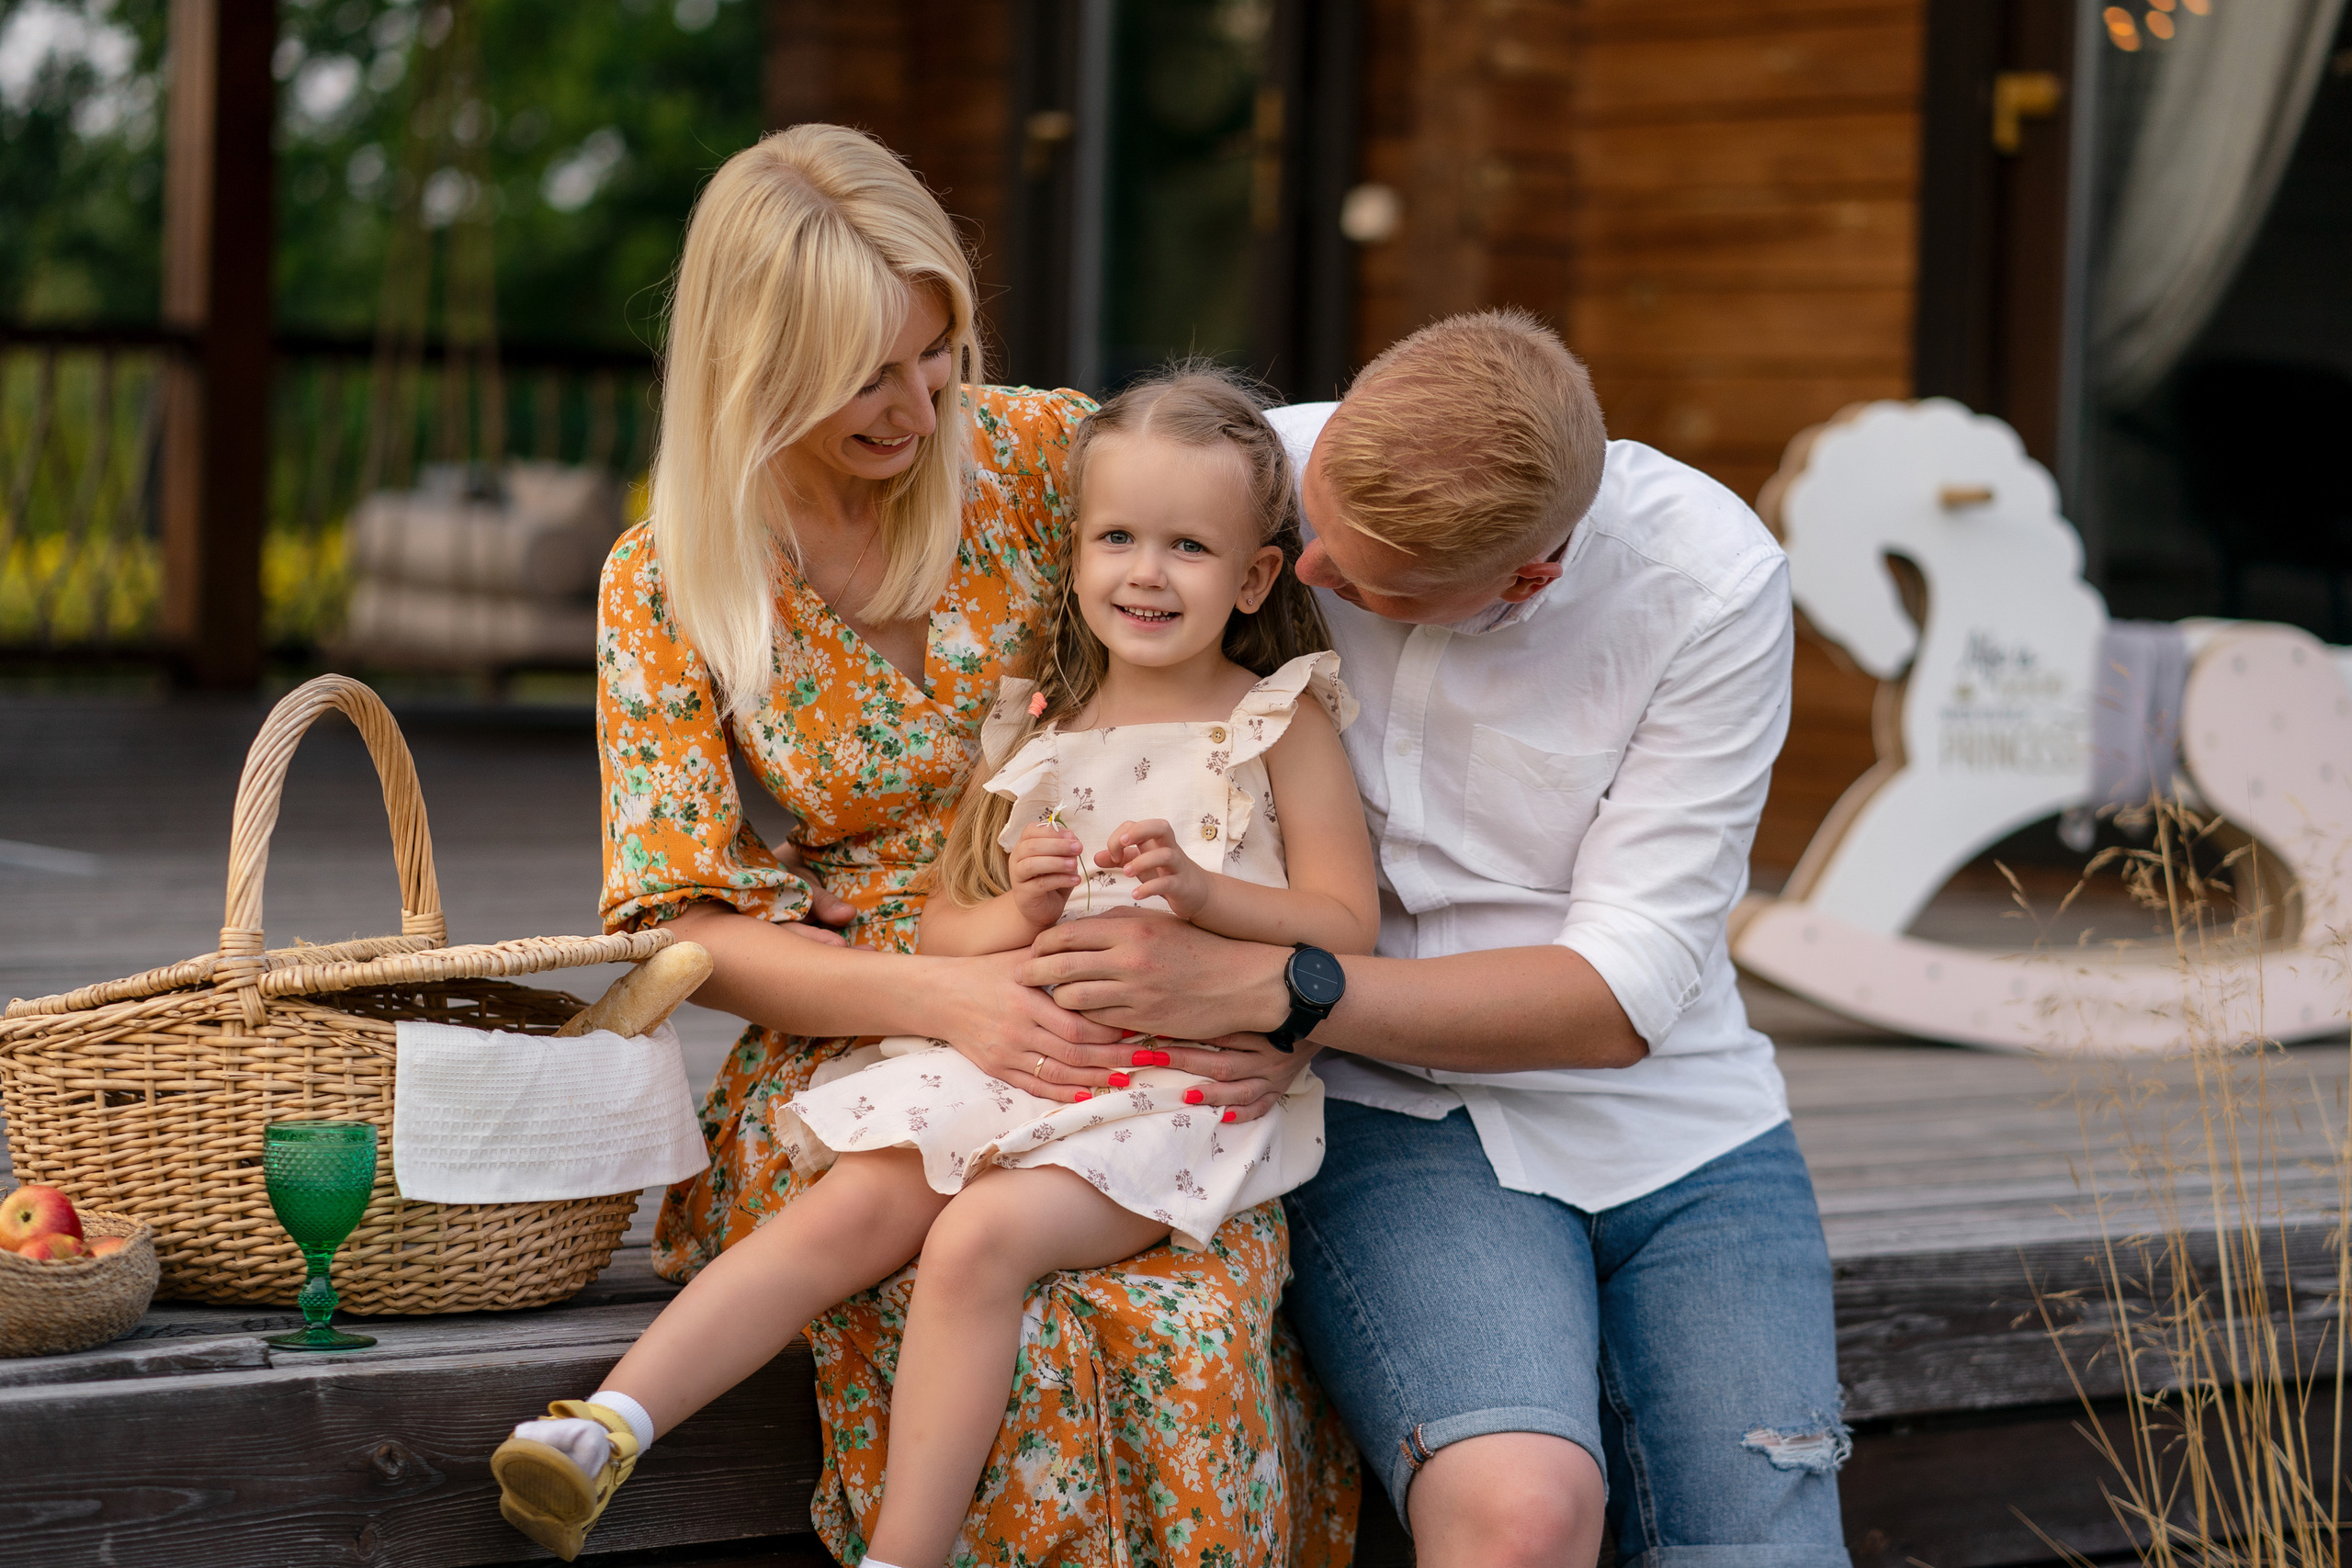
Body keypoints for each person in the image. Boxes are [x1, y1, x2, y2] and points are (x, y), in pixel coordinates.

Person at [495, 128, 1361, 1567]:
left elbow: (1273, 575)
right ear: (750, 367)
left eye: (935, 352)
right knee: (931, 1263)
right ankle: (622, 1434)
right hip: (871, 1013)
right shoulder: (668, 576)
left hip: (1138, 1009)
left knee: (1164, 1315)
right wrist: (947, 992)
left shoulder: (1046, 458)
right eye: (862, 376)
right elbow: (685, 926)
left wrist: (1280, 1010)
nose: (915, 407)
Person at [1016, 311, 1852, 1568]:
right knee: (1519, 1519)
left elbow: (1615, 998)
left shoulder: (1710, 585)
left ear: (1530, 579)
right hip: (1395, 1115)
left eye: (1363, 586)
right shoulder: (1272, 476)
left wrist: (1274, 992)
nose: (1303, 580)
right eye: (1313, 537)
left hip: (1685, 1129)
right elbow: (1043, 481)